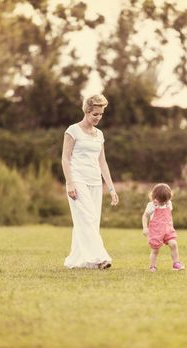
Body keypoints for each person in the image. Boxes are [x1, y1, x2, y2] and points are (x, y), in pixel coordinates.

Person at [62, 94, 119, 269]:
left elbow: (102, 162)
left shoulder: (99, 134)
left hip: (95, 182)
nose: (98, 118)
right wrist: (70, 183)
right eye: (95, 114)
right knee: (87, 218)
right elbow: (65, 158)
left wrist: (111, 188)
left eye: (101, 114)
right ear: (86, 111)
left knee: (90, 221)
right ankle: (100, 258)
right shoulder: (72, 130)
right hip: (77, 180)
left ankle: (78, 260)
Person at [142, 183, 185, 272]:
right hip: (156, 231)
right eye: (161, 201)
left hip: (168, 230)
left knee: (173, 244)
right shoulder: (151, 205)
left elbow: (168, 214)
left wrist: (171, 225)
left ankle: (176, 263)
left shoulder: (169, 203)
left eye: (165, 201)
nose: (163, 203)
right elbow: (145, 216)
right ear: (155, 197)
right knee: (155, 250)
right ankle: (152, 266)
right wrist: (145, 228)